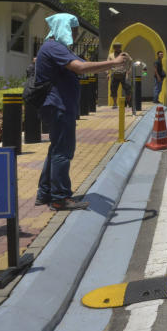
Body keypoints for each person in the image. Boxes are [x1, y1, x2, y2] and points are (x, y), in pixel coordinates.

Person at [35, 14, 130, 210]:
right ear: (63, 28)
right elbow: (80, 68)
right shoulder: (54, 48)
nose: (76, 33)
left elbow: (85, 66)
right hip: (59, 106)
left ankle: (45, 193)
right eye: (74, 29)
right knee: (63, 151)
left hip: (60, 105)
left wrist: (112, 63)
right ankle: (60, 197)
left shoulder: (58, 48)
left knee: (56, 149)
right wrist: (113, 63)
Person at [107, 42, 133, 111]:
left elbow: (131, 60)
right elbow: (108, 64)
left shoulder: (124, 54)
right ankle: (115, 103)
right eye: (115, 46)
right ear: (113, 48)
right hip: (114, 74)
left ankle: (128, 102)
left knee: (128, 88)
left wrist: (129, 69)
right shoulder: (111, 55)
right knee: (113, 89)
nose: (117, 48)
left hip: (123, 74)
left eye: (118, 46)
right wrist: (108, 73)